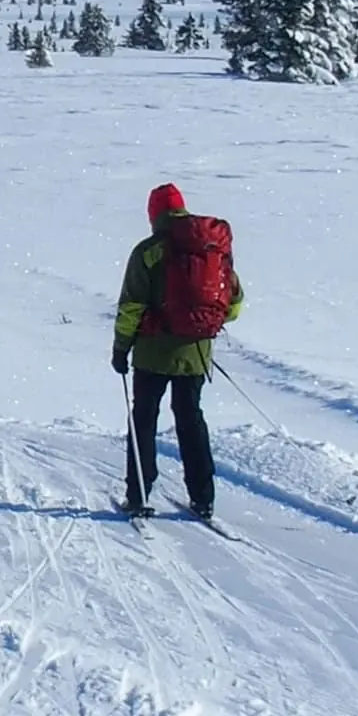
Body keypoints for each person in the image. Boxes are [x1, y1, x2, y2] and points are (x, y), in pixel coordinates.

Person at [111, 183, 244, 520]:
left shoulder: (148, 251)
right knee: (190, 417)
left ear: (154, 213)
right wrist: (200, 325)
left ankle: (138, 495)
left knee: (144, 418)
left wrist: (120, 349)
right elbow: (234, 304)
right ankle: (203, 497)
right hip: (196, 353)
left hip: (152, 352)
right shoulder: (210, 247)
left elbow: (131, 307)